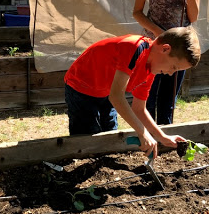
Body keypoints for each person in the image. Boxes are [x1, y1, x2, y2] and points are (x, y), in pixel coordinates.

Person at [64, 26, 201, 156]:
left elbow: (139, 108)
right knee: (88, 141)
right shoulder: (134, 48)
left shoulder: (150, 70)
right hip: (81, 88)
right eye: (173, 67)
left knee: (110, 138)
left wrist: (162, 137)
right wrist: (142, 132)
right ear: (165, 49)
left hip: (105, 92)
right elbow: (116, 96)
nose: (171, 73)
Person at [133, 0, 206, 125]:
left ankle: (166, 141)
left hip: (180, 47)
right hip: (154, 46)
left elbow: (193, 16)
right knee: (147, 98)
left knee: (169, 100)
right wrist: (160, 33)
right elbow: (137, 12)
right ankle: (146, 140)